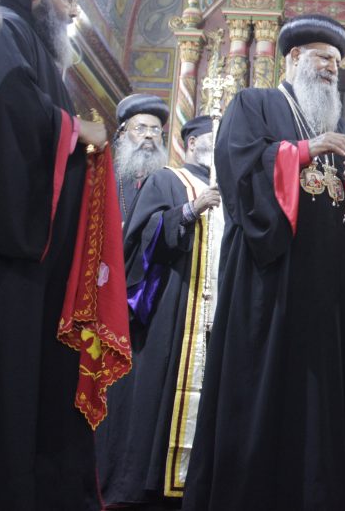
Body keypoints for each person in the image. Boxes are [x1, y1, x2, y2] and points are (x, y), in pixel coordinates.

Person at [182, 15, 345, 510]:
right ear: (293, 58)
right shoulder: (256, 104)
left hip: (327, 297)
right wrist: (300, 151)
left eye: (337, 62)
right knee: (267, 400)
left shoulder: (336, 130)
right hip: (270, 287)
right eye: (323, 58)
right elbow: (239, 171)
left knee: (323, 408)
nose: (332, 70)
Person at [0, 0, 114, 510]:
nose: (73, 12)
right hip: (10, 253)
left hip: (37, 263)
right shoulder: (3, 27)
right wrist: (76, 131)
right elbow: (10, 108)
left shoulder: (35, 44)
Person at [97, 115, 222, 505]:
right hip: (174, 306)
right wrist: (188, 211)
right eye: (210, 139)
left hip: (216, 312)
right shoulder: (168, 180)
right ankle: (148, 484)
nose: (217, 146)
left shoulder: (232, 190)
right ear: (190, 143)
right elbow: (141, 239)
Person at [114, 92, 170, 225]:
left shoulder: (169, 182)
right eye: (140, 129)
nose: (149, 135)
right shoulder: (107, 176)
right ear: (122, 135)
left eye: (155, 130)